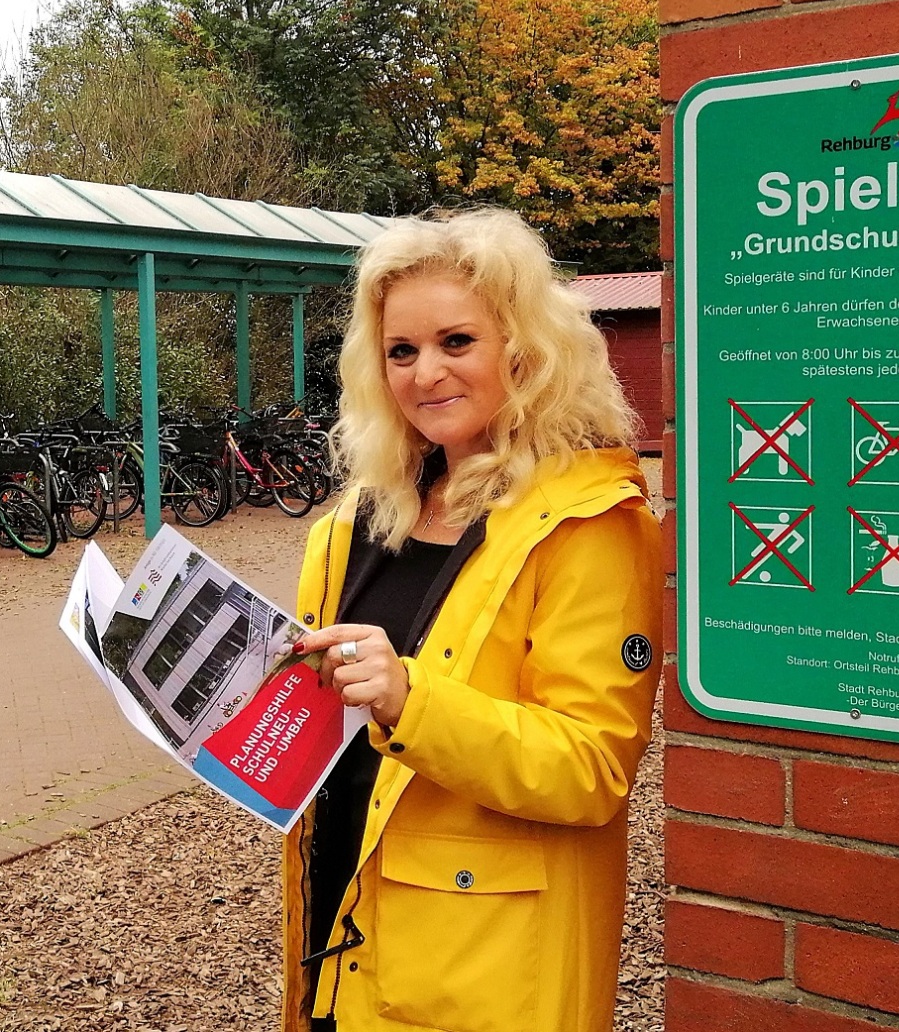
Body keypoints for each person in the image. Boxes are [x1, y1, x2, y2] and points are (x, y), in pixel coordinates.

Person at [281, 208, 662, 1032]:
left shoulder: (591, 523)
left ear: (522, 352)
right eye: (402, 351)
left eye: (458, 342)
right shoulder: (358, 522)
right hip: (342, 930)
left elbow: (590, 767)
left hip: (486, 970)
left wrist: (408, 699)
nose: (426, 374)